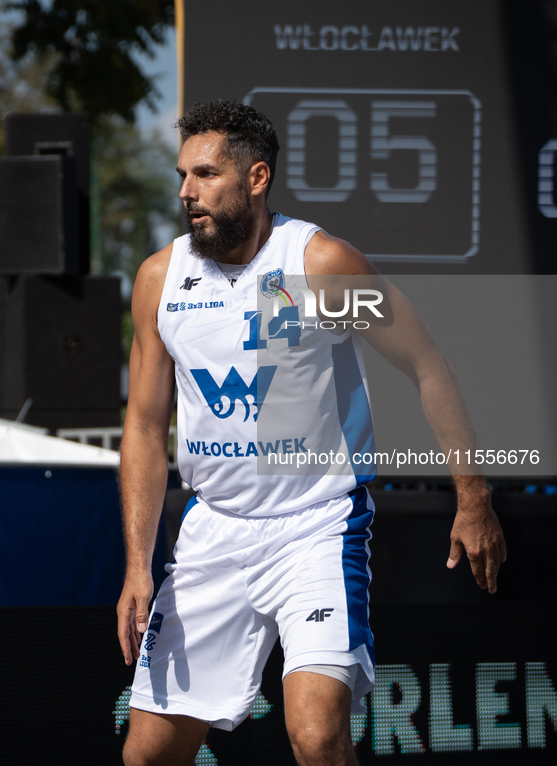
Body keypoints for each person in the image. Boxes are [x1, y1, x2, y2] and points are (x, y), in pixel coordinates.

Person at [117, 100, 506, 766]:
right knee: (147, 755)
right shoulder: (160, 279)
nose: (187, 192)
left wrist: (472, 496)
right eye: (183, 174)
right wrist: (137, 563)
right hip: (213, 531)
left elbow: (427, 365)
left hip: (314, 526)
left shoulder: (320, 264)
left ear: (257, 177)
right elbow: (146, 427)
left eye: (206, 174)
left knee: (317, 734)